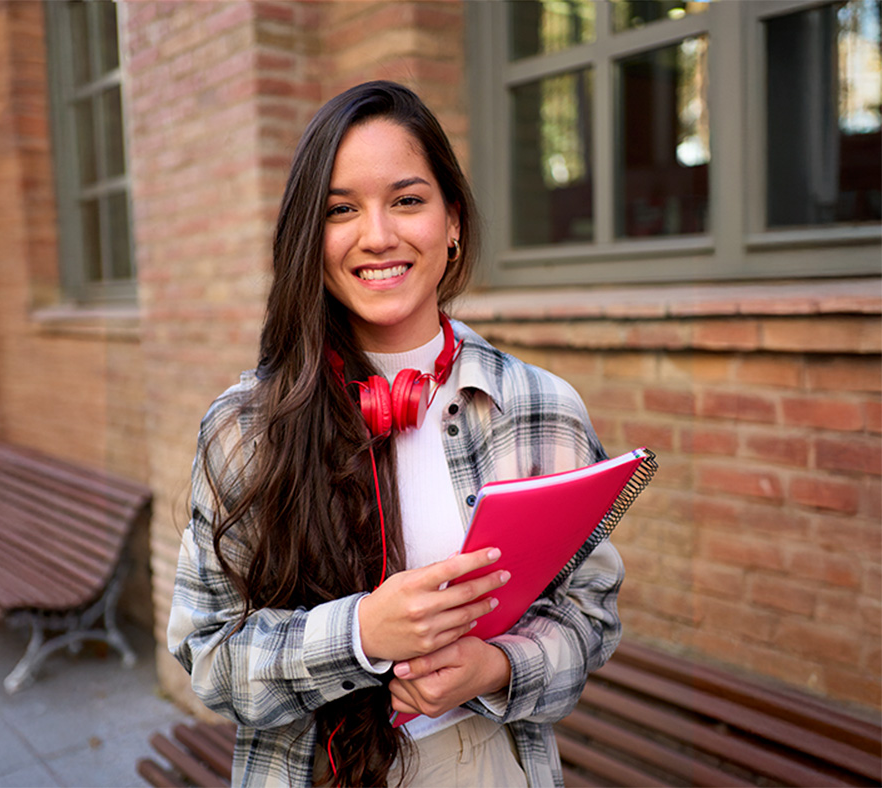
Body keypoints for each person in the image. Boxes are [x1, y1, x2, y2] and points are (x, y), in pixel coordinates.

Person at [168, 80, 624, 787]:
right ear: (308, 240)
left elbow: (590, 616)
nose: (377, 234)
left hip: (487, 764)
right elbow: (209, 657)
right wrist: (359, 636)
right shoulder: (245, 428)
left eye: (407, 200)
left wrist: (497, 667)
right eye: (341, 209)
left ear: (454, 223)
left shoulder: (541, 406)